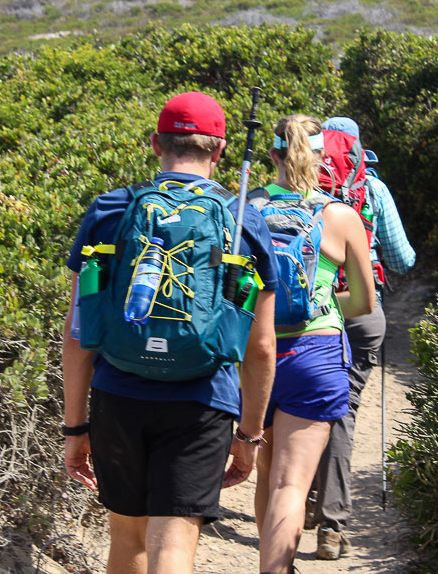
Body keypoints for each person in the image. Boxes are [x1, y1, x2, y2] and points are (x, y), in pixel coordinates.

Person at [62, 91, 277, 574]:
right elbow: (260, 347)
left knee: (128, 536)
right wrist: (250, 435)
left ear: (156, 143)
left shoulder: (111, 211)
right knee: (174, 543)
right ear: (219, 151)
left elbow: (77, 333)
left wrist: (75, 426)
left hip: (118, 391)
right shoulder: (244, 222)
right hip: (202, 400)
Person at [251, 114, 377, 574]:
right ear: (324, 158)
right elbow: (363, 303)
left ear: (273, 155)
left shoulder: (246, 210)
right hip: (316, 352)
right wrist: (323, 302)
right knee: (292, 483)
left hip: (254, 352)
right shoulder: (340, 217)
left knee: (266, 474)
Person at [310, 116, 416, 560]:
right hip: (362, 309)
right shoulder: (372, 189)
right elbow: (403, 258)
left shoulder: (302, 188)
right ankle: (332, 525)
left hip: (310, 310)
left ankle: (306, 501)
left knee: (305, 403)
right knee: (343, 410)